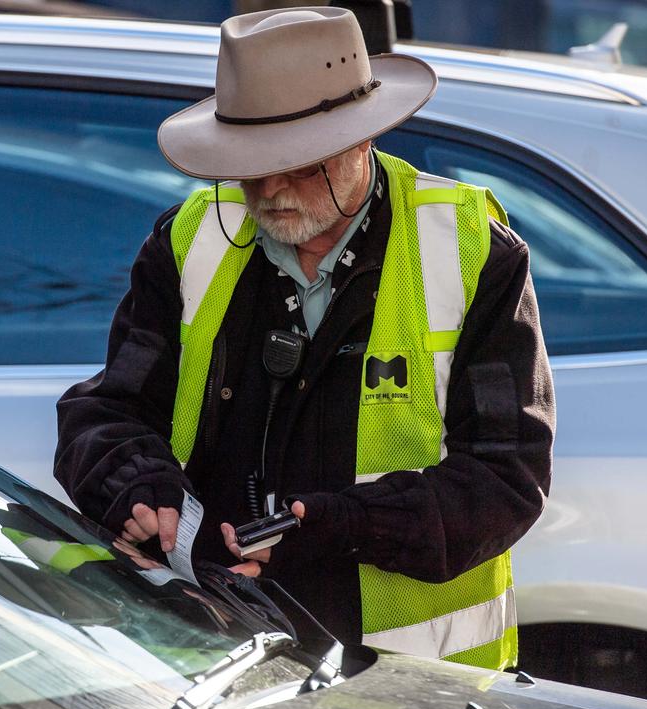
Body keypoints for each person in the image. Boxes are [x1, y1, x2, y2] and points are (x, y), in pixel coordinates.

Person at [55, 6, 554, 671]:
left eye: (294, 160)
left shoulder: (472, 251)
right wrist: (137, 489)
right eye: (247, 162)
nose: (268, 185)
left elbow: (504, 480)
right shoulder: (188, 238)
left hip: (403, 685)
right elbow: (108, 410)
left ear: (362, 139)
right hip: (211, 660)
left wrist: (332, 527)